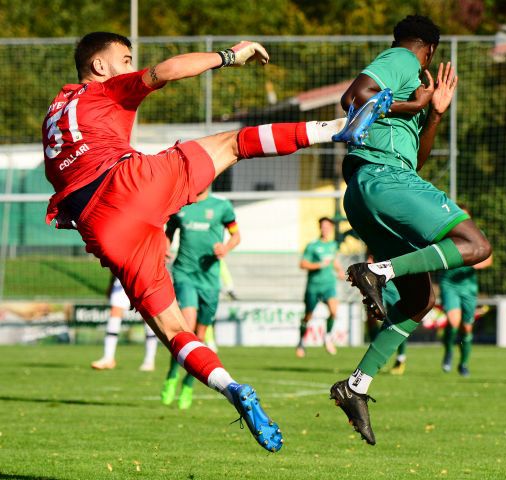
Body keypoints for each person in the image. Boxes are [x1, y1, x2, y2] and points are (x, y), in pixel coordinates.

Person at [42, 31, 375, 452]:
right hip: (129, 184)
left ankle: (232, 388)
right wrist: (228, 56)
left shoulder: (54, 115)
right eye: (125, 59)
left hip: (102, 228)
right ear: (100, 66)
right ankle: (338, 127)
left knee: (174, 330)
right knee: (234, 143)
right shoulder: (105, 89)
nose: (130, 67)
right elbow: (166, 71)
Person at [328, 16, 492, 445]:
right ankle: (379, 272)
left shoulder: (408, 90)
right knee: (475, 245)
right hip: (384, 179)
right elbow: (353, 97)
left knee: (421, 301)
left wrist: (432, 114)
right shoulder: (401, 59)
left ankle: (356, 385)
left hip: (371, 191)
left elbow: (417, 160)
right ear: (430, 49)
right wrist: (419, 105)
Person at [161, 187, 239, 410]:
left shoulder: (222, 207)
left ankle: (187, 384)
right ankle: (171, 374)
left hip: (210, 281)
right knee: (187, 329)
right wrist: (164, 248)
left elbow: (236, 235)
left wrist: (225, 248)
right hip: (185, 274)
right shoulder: (181, 206)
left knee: (200, 337)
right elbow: (168, 233)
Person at [296, 216, 345, 358]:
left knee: (334, 311)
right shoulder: (312, 246)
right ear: (320, 228)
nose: (325, 229)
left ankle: (327, 337)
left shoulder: (333, 245)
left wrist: (340, 270)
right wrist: (318, 265)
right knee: (307, 317)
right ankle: (300, 342)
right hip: (314, 286)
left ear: (330, 228)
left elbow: (334, 261)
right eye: (323, 227)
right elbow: (302, 264)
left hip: (329, 285)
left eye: (328, 227)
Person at [91, 276, 158, 371]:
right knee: (115, 312)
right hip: (123, 277)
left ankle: (149, 360)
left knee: (147, 315)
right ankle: (108, 358)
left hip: (144, 276)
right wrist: (111, 283)